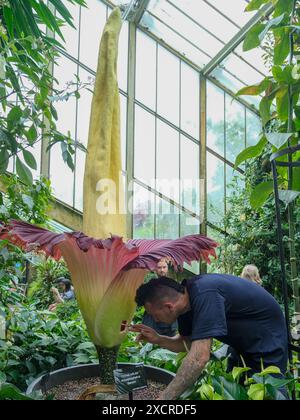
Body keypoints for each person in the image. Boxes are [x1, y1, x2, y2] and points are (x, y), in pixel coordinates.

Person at [130, 274, 289, 400]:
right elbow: (186, 343)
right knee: (237, 390)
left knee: (271, 392)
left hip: (267, 342)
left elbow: (198, 358)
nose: (155, 320)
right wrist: (158, 338)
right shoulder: (186, 304)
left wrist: (163, 399)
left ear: (168, 307)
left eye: (154, 315)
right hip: (241, 344)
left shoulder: (205, 294)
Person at [142, 258, 178, 337]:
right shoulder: (148, 281)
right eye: (159, 268)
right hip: (153, 320)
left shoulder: (172, 282)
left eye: (164, 267)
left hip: (169, 320)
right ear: (155, 269)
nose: (162, 270)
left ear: (167, 268)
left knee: (170, 343)